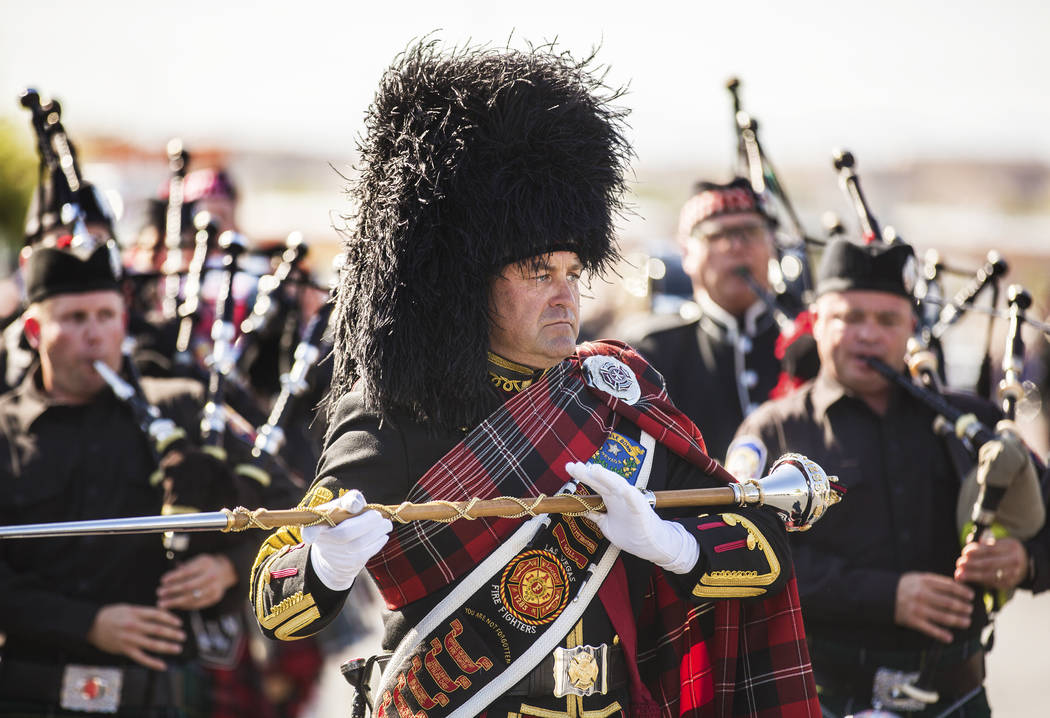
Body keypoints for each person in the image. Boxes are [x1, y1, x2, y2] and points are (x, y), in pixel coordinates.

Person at [251, 41, 824, 718]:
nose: (565, 296)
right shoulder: (394, 410)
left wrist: (675, 545)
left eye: (573, 272)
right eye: (536, 272)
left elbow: (761, 555)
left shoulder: (618, 394)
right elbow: (274, 602)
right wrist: (325, 566)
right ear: (470, 284)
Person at [729, 237, 1045, 717]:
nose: (869, 335)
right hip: (824, 699)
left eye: (887, 320)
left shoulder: (970, 421)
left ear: (910, 328)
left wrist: (1024, 560)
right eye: (850, 318)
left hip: (957, 699)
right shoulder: (774, 429)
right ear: (817, 324)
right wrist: (885, 596)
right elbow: (742, 555)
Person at [0, 232, 261, 716]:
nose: (95, 334)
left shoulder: (183, 406)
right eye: (75, 319)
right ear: (34, 331)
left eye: (106, 316)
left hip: (157, 699)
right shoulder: (3, 431)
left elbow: (285, 511)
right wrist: (86, 623)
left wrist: (229, 568)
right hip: (25, 695)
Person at [635, 178, 815, 462]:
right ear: (686, 253)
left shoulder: (813, 343)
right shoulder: (652, 355)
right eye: (717, 235)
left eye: (751, 231)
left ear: (772, 245)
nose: (736, 246)